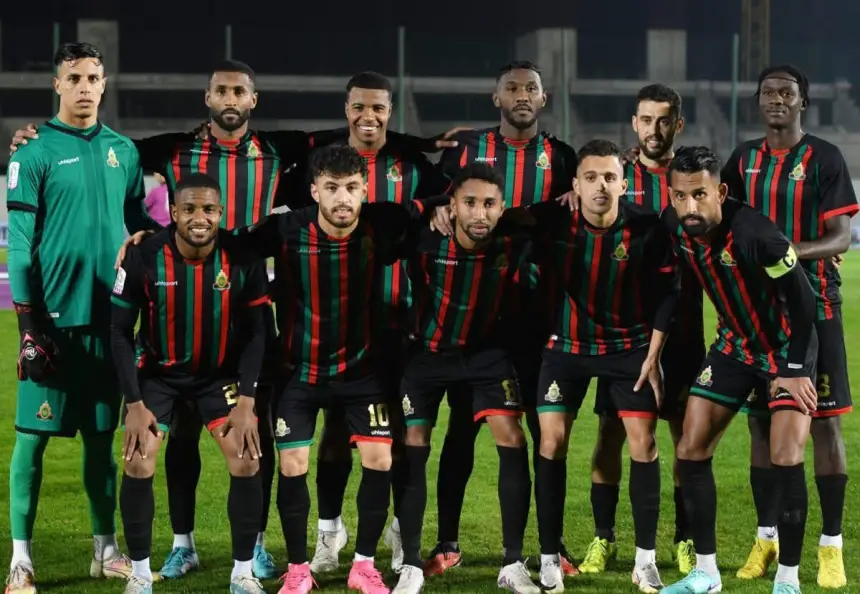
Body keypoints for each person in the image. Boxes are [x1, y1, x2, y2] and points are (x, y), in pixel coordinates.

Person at [7, 61, 462, 582]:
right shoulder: (170, 149)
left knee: (255, 436)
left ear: (253, 99)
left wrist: (421, 143)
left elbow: (355, 129)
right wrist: (38, 135)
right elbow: (119, 161)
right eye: (220, 89)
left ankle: (261, 548)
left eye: (238, 91)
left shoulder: (276, 149)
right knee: (177, 440)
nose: (229, 98)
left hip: (248, 303)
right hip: (180, 297)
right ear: (207, 97)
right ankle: (183, 546)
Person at [230, 144, 448, 594]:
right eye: (332, 188)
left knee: (380, 458)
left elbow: (436, 208)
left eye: (351, 188)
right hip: (298, 372)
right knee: (292, 465)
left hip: (362, 371)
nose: (343, 199)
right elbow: (225, 245)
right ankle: (298, 569)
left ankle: (363, 565)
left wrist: (442, 209)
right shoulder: (286, 230)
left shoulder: (381, 224)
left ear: (365, 189)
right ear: (314, 191)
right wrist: (148, 240)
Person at [4, 41, 157, 593]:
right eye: (75, 78)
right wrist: (28, 326)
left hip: (108, 324)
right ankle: (21, 559)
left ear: (104, 83)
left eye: (94, 77)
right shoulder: (33, 151)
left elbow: (138, 223)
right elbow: (20, 246)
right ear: (58, 85)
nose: (86, 87)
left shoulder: (125, 151)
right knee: (31, 443)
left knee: (101, 444)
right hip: (51, 326)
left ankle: (105, 550)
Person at [425, 60, 579, 577]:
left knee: (543, 433)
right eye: (511, 88)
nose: (521, 95)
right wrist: (435, 209)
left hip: (536, 316)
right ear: (496, 98)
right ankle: (447, 541)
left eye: (530, 88)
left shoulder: (560, 155)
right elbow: (433, 198)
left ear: (543, 98)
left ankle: (552, 547)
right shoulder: (468, 149)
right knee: (461, 433)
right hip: (477, 317)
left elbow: (574, 207)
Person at [307, 71, 451, 577]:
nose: (369, 117)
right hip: (337, 325)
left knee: (400, 436)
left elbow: (449, 200)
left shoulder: (413, 165)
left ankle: (398, 533)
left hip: (402, 324)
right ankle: (329, 534)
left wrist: (436, 211)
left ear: (391, 111)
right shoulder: (323, 163)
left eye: (379, 109)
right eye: (359, 108)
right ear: (345, 109)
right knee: (331, 432)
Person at [721, 65, 857, 589]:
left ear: (803, 102)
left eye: (787, 93)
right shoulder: (744, 159)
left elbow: (841, 237)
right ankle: (766, 538)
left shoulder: (823, 157)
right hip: (758, 316)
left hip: (816, 308)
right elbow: (717, 212)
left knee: (824, 423)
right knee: (761, 426)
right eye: (769, 93)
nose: (777, 100)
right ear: (758, 102)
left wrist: (785, 254)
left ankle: (831, 546)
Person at [660, 146, 818, 594]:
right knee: (690, 449)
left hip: (786, 350)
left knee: (785, 455)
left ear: (721, 191)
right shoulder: (675, 225)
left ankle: (788, 580)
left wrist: (791, 370)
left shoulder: (757, 234)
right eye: (680, 196)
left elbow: (804, 299)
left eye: (700, 195)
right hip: (733, 348)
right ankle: (706, 574)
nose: (690, 207)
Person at [525, 139, 676, 594]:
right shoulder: (554, 223)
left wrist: (653, 355)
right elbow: (508, 227)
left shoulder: (647, 229)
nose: (601, 186)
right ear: (575, 185)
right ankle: (550, 557)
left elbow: (670, 293)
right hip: (566, 347)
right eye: (590, 178)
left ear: (624, 184)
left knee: (643, 443)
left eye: (610, 177)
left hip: (629, 348)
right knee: (551, 441)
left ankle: (644, 561)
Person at [111, 173, 270, 594]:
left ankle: (242, 573)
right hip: (158, 377)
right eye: (190, 209)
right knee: (138, 460)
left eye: (209, 210)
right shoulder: (143, 256)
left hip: (218, 377)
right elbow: (119, 333)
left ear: (220, 214)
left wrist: (248, 400)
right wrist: (134, 404)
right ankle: (141, 576)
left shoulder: (243, 257)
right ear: (174, 213)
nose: (199, 218)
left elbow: (258, 332)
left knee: (246, 458)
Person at [392, 163, 541, 594]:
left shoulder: (512, 245)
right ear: (453, 206)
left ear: (502, 209)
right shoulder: (424, 243)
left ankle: (513, 564)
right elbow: (385, 224)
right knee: (414, 445)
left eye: (489, 204)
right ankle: (413, 565)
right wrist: (429, 208)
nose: (480, 214)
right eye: (470, 203)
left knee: (513, 439)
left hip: (485, 358)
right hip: (427, 356)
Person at [581, 84, 704, 577]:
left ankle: (684, 540)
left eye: (664, 120)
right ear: (634, 123)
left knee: (683, 436)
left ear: (679, 124)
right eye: (646, 120)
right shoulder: (616, 175)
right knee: (612, 431)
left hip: (685, 323)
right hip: (625, 328)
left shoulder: (691, 177)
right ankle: (603, 538)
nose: (654, 130)